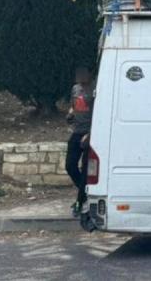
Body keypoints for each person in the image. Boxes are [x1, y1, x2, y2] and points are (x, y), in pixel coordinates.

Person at [65, 66, 95, 217]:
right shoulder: (75, 88)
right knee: (70, 166)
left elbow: (100, 112)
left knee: (85, 169)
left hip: (90, 134)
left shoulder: (96, 89)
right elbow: (73, 105)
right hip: (76, 132)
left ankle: (79, 202)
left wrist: (90, 133)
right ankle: (86, 193)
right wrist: (70, 113)